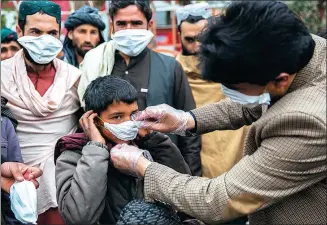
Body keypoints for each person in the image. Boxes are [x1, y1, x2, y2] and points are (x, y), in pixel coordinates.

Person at [109, 1, 326, 224]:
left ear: (280, 80)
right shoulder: (303, 49)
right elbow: (255, 101)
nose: (230, 95)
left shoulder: (309, 122)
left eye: (237, 89)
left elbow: (219, 200)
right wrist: (186, 119)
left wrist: (143, 167)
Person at [78, 0, 201, 176]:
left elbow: (189, 132)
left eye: (136, 23)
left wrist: (192, 180)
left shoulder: (170, 67)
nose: (129, 29)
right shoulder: (96, 64)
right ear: (112, 25)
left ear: (149, 25)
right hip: (109, 176)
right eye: (121, 24)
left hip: (163, 172)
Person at [55, 76, 191, 224]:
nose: (128, 123)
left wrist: (155, 141)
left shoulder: (147, 145)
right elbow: (79, 217)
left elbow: (185, 191)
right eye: (117, 117)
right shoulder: (73, 155)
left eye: (133, 114)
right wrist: (96, 149)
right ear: (94, 120)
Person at [1, 1, 81, 224]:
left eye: (52, 33)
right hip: (11, 186)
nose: (44, 40)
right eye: (35, 32)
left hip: (65, 188)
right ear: (20, 31)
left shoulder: (75, 79)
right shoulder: (3, 76)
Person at [176, 2, 249, 178]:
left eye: (201, 38)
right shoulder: (172, 74)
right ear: (180, 36)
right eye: (190, 40)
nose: (197, 46)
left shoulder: (235, 72)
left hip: (236, 166)